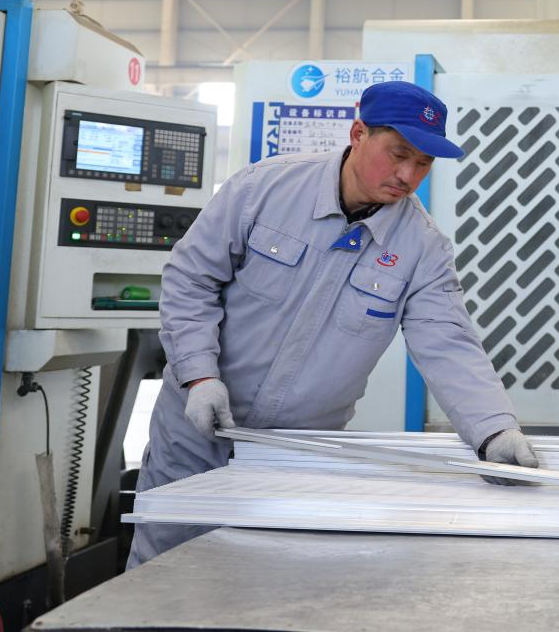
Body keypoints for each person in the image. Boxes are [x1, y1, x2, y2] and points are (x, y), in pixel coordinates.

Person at [128, 81, 537, 567]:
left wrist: (494, 430)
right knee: (164, 566)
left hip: (297, 451)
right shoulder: (262, 189)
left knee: (264, 577)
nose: (408, 176)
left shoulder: (422, 248)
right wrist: (199, 375)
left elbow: (448, 343)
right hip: (197, 428)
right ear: (358, 133)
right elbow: (190, 279)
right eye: (398, 155)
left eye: (424, 163)